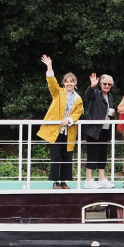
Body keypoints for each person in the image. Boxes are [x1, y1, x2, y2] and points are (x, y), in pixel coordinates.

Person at [38, 55, 84, 189]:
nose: (69, 83)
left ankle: (64, 181)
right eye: (67, 81)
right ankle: (55, 182)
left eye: (72, 81)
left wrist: (69, 120)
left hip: (69, 130)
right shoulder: (58, 92)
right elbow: (51, 82)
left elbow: (77, 113)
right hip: (56, 129)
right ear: (64, 83)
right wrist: (49, 66)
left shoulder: (78, 99)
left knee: (67, 156)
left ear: (75, 83)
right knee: (56, 156)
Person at [82, 72, 116, 188]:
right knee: (93, 153)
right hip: (94, 129)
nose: (107, 86)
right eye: (105, 83)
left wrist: (113, 113)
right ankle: (88, 179)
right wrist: (92, 86)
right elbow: (88, 95)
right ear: (100, 84)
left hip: (106, 129)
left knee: (103, 153)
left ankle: (102, 178)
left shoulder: (110, 96)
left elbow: (109, 111)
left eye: (109, 84)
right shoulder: (96, 93)